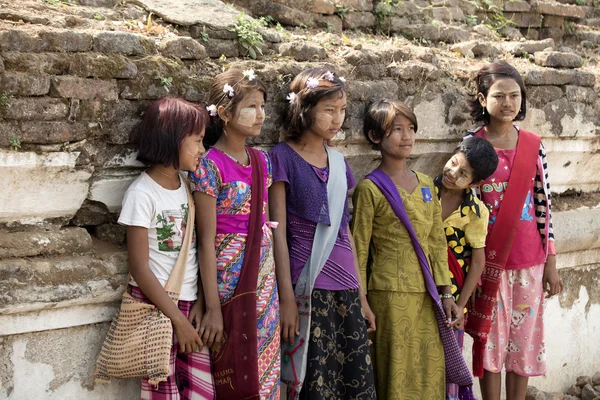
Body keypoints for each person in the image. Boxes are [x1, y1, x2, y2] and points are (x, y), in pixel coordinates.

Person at [352, 99, 474, 399]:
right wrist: (362, 301)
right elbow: (358, 248)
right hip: (388, 296)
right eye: (396, 129)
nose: (406, 136)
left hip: (428, 296)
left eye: (411, 128)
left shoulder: (425, 185)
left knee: (427, 372)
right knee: (396, 374)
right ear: (375, 137)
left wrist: (447, 293)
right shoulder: (370, 188)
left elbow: (435, 242)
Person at [269, 68, 376, 400]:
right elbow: (278, 233)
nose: (338, 119)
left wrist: (361, 296)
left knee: (352, 383)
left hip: (346, 287)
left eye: (342, 110)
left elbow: (344, 231)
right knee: (312, 384)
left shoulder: (340, 162)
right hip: (308, 289)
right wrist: (286, 298)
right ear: (304, 108)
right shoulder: (281, 156)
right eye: (329, 109)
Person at [464, 60, 563, 400]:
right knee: (489, 340)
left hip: (530, 261)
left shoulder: (534, 144)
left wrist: (550, 260)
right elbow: (466, 209)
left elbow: (544, 205)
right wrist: (471, 270)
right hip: (488, 262)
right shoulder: (472, 145)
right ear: (482, 99)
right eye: (499, 95)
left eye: (515, 95)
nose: (508, 102)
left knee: (524, 343)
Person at [190, 69, 280, 399]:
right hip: (227, 280)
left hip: (263, 275)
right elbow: (205, 241)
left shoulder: (263, 162)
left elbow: (266, 225)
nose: (261, 115)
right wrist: (211, 306)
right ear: (225, 114)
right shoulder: (209, 165)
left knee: (265, 369)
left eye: (262, 106)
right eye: (252, 107)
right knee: (232, 369)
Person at [118, 97, 215, 400]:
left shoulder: (189, 187)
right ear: (172, 139)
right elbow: (140, 267)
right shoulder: (142, 193)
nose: (202, 149)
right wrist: (178, 320)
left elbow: (197, 248)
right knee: (163, 394)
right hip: (157, 310)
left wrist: (198, 303)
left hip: (189, 308)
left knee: (202, 392)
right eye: (197, 141)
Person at [433, 136, 498, 400]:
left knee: (447, 361)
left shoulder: (476, 212)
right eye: (452, 163)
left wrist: (460, 306)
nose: (452, 173)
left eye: (463, 174)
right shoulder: (422, 189)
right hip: (414, 285)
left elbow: (478, 261)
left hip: (451, 298)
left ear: (475, 183)